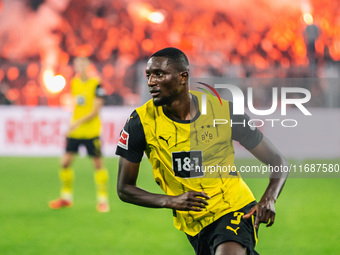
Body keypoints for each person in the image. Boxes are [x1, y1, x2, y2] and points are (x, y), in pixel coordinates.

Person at [115, 47, 289, 254]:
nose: (151, 82)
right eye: (149, 75)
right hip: (195, 225)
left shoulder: (223, 112)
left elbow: (278, 162)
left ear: (183, 77)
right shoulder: (140, 123)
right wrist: (171, 201)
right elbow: (124, 188)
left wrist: (269, 197)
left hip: (234, 207)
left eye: (159, 74)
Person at [49, 57, 110, 213]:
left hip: (91, 131)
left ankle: (103, 200)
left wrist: (77, 122)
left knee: (97, 164)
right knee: (65, 163)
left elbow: (95, 110)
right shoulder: (75, 83)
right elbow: (78, 106)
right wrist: (72, 124)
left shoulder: (96, 84)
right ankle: (66, 197)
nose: (80, 67)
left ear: (89, 66)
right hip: (76, 131)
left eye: (83, 64)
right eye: (77, 64)